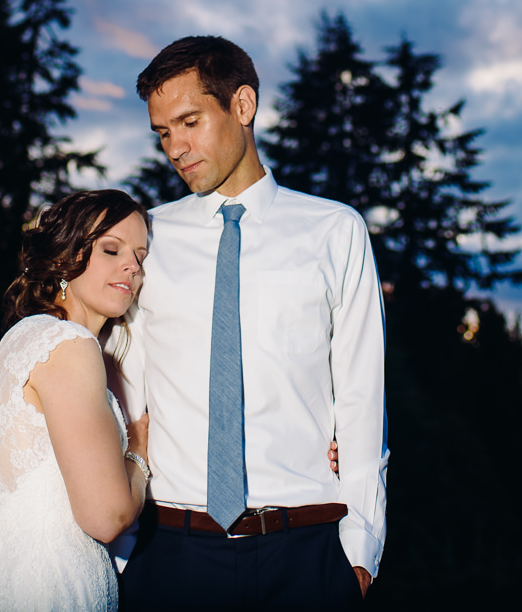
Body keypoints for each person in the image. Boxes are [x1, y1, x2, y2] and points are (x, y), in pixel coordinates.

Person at [118, 36, 387, 611]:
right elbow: (126, 391)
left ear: (243, 106)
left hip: (306, 552)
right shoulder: (146, 239)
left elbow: (363, 398)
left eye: (189, 121)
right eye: (163, 132)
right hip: (171, 556)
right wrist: (124, 550)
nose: (175, 147)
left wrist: (360, 552)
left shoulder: (334, 231)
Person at [0, 190, 154, 612]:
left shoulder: (30, 335)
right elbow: (106, 517)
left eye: (141, 255)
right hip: (53, 589)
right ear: (67, 257)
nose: (132, 267)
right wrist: (138, 452)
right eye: (111, 249)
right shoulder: (70, 345)